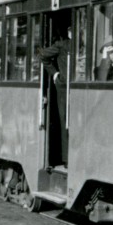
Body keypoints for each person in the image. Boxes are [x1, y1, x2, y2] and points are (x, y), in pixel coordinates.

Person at [40, 26, 71, 166]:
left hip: (71, 86)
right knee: (66, 120)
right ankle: (66, 158)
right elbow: (43, 55)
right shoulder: (62, 45)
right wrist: (55, 73)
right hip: (65, 87)